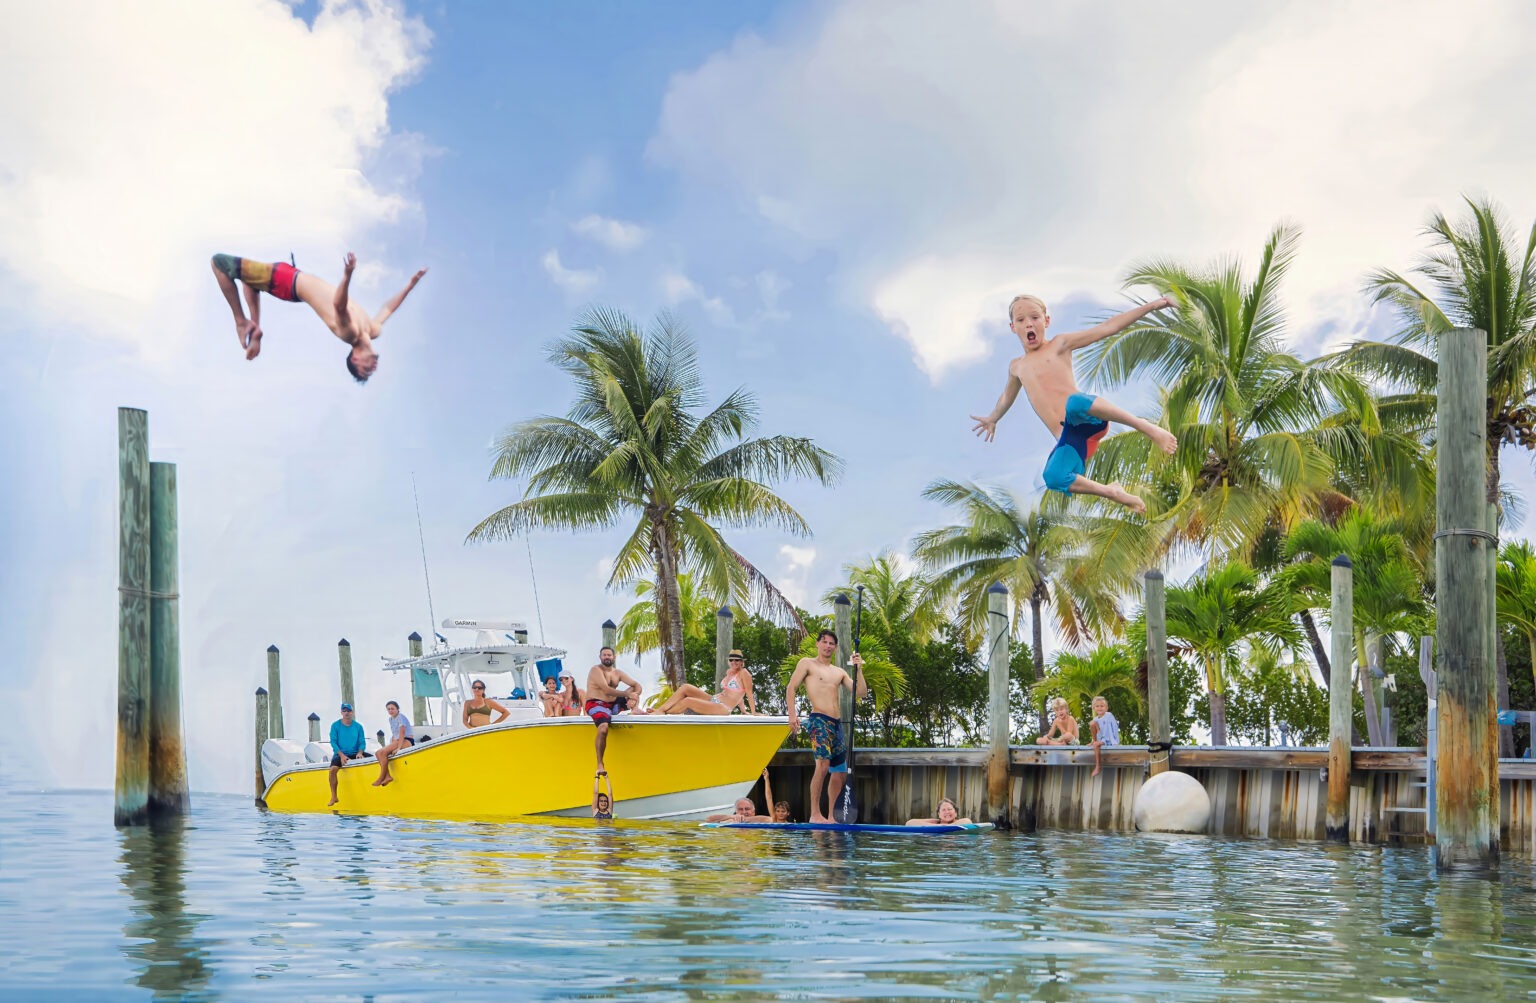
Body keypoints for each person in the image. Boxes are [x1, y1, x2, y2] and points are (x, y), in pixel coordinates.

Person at [970, 295, 1179, 514]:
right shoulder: (1016, 367)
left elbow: (1108, 328)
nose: (1029, 324)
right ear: (1013, 327)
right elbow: (1007, 396)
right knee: (1052, 476)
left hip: (1088, 420)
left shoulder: (1060, 344)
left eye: (1035, 318)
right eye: (1021, 320)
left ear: (1046, 321)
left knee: (1074, 402)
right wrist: (993, 418)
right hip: (1072, 440)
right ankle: (1112, 492)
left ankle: (1146, 427)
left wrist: (1155, 305)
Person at [209, 250, 427, 383]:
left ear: (355, 358)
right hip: (291, 275)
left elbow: (339, 305)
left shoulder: (350, 333)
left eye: (364, 371)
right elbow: (387, 309)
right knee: (249, 281)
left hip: (287, 281)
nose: (371, 370)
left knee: (219, 263)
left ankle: (241, 322)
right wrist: (410, 285)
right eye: (368, 372)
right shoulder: (373, 329)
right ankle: (255, 327)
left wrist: (347, 276)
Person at [785, 629, 867, 823]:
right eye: (824, 642)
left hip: (836, 724)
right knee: (822, 766)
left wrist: (859, 668)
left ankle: (832, 816)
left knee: (839, 772)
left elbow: (861, 693)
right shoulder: (807, 663)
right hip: (819, 720)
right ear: (818, 644)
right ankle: (815, 814)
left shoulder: (839, 672)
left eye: (831, 643)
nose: (828, 646)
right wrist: (792, 715)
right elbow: (791, 687)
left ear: (835, 647)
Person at [585, 646, 644, 775]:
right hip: (596, 703)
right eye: (604, 655)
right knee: (603, 728)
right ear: (600, 657)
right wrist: (627, 694)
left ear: (614, 657)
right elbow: (606, 690)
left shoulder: (618, 673)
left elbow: (637, 685)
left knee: (633, 690)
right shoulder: (596, 670)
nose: (607, 657)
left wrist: (634, 696)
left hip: (613, 705)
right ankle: (600, 763)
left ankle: (635, 709)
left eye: (609, 655)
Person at [653, 650, 757, 715]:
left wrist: (754, 712)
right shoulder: (730, 672)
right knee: (685, 687)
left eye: (737, 660)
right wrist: (743, 711)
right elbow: (738, 695)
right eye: (731, 660)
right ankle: (661, 709)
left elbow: (748, 693)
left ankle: (663, 713)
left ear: (742, 662)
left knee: (688, 701)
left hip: (723, 708)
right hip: (714, 699)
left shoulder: (744, 673)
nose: (733, 662)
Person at [327, 703, 368, 807]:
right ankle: (334, 796)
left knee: (375, 758)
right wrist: (341, 755)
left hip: (355, 753)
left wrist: (360, 752)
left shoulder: (358, 726)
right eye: (344, 711)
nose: (346, 713)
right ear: (341, 712)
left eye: (348, 711)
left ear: (352, 712)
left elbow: (362, 742)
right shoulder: (335, 725)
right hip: (341, 754)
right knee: (332, 770)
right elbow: (333, 742)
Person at [371, 700, 414, 787]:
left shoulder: (400, 717)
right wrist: (393, 745)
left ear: (397, 709)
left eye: (392, 708)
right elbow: (395, 735)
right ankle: (387, 776)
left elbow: (402, 732)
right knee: (379, 753)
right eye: (388, 709)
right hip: (398, 741)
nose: (390, 710)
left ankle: (381, 777)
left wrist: (398, 748)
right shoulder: (390, 719)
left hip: (406, 740)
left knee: (380, 752)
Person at [1088, 695, 1121, 777]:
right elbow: (1096, 732)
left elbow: (1114, 728)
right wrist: (1094, 740)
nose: (1100, 708)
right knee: (1092, 723)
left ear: (1106, 708)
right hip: (1100, 738)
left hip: (1108, 740)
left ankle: (1098, 766)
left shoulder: (1109, 715)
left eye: (1102, 706)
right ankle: (1094, 741)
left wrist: (1115, 742)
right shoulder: (1096, 719)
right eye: (1097, 706)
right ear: (1094, 708)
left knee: (1096, 745)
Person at [906, 797, 973, 826]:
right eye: (943, 810)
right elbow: (909, 823)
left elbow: (968, 821)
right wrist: (939, 826)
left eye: (949, 809)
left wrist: (946, 826)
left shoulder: (960, 822)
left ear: (955, 813)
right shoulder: (936, 822)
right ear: (939, 814)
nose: (947, 812)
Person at [705, 797, 773, 824]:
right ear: (736, 811)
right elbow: (708, 819)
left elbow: (770, 819)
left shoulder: (760, 820)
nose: (744, 812)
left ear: (753, 811)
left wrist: (744, 819)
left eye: (747, 809)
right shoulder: (731, 820)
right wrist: (732, 817)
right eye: (740, 809)